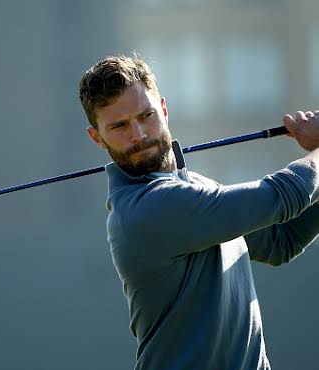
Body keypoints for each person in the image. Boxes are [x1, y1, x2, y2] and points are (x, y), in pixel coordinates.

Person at [79, 55, 319, 370]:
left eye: (146, 115)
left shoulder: (194, 188)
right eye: (120, 126)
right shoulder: (150, 208)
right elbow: (283, 195)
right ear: (97, 137)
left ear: (164, 110)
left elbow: (281, 241)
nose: (138, 134)